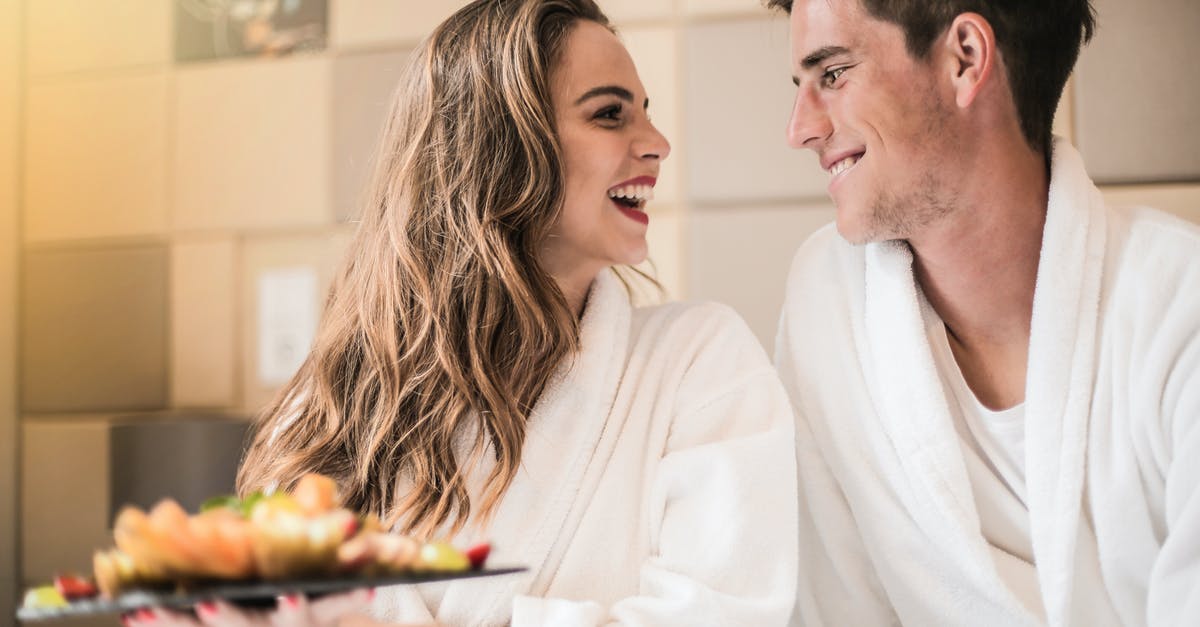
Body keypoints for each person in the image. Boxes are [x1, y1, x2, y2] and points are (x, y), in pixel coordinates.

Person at [128, 1, 798, 626]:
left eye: (644, 112)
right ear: (502, 151)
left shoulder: (700, 364)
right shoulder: (336, 398)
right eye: (609, 114)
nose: (656, 143)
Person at [768, 0, 1200, 624]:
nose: (800, 128)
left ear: (965, 59)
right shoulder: (828, 309)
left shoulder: (1178, 319)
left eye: (832, 73)